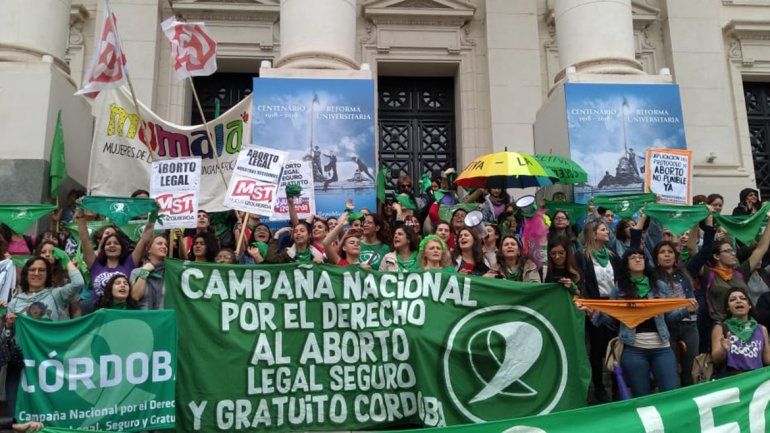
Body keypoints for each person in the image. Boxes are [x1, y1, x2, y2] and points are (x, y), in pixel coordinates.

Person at [587, 248, 697, 397]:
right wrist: (594, 312)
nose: (638, 259)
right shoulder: (619, 289)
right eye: (633, 257)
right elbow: (614, 321)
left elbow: (668, 318)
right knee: (642, 397)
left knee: (671, 394)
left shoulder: (660, 286)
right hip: (634, 350)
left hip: (662, 348)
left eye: (641, 257)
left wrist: (686, 310)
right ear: (626, 264)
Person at [6, 256, 84, 412]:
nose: (36, 273)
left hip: (51, 362)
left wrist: (65, 259)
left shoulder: (56, 294)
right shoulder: (15, 302)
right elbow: (8, 337)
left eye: (41, 270)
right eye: (32, 269)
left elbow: (78, 283)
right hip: (24, 364)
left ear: (48, 275)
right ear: (26, 273)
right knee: (20, 413)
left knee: (51, 411)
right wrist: (8, 326)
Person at [576, 219, 620, 402]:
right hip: (595, 307)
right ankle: (599, 387)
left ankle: (617, 384)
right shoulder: (582, 255)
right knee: (597, 349)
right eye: (603, 229)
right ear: (593, 234)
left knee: (617, 348)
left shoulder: (613, 255)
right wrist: (588, 305)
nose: (607, 232)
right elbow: (581, 281)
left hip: (614, 306)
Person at [703, 209, 770, 322]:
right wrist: (707, 220)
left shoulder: (740, 272)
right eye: (728, 251)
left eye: (733, 250)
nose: (733, 253)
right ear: (717, 256)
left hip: (746, 323)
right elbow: (697, 250)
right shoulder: (708, 273)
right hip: (721, 326)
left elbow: (761, 249)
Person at [76, 207, 153, 301]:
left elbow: (144, 238)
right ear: (103, 248)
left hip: (122, 313)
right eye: (108, 244)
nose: (112, 246)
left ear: (122, 248)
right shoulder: (95, 265)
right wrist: (80, 213)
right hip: (101, 313)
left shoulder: (129, 263)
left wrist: (154, 214)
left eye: (116, 243)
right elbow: (85, 240)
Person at [711, 288, 770, 374]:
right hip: (732, 379)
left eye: (743, 298)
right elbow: (716, 359)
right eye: (732, 299)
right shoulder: (720, 327)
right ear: (728, 307)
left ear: (749, 305)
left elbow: (767, 359)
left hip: (756, 378)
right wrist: (723, 349)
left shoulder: (761, 329)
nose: (738, 301)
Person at [35, 241, 82, 318]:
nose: (47, 255)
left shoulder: (66, 280)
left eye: (51, 252)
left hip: (61, 326)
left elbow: (76, 310)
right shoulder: (31, 278)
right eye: (43, 252)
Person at [131, 234, 168, 310]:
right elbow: (135, 296)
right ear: (148, 249)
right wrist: (145, 271)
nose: (164, 247)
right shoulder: (137, 272)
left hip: (164, 319)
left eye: (166, 245)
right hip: (144, 319)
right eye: (159, 243)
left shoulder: (169, 273)